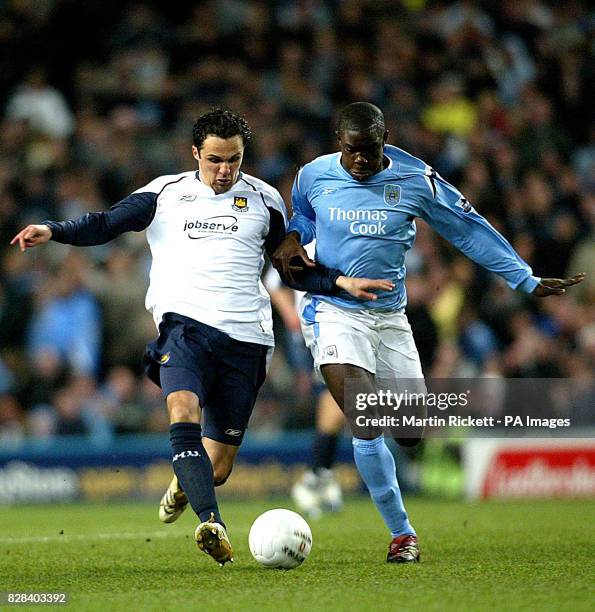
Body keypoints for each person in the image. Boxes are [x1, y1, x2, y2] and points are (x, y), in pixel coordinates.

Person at [11, 108, 393, 566]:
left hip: (248, 341)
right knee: (182, 408)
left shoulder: (266, 200)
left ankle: (186, 482)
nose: (225, 170)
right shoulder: (166, 194)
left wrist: (338, 283)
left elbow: (289, 266)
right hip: (184, 330)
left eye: (234, 159)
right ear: (195, 153)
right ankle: (212, 523)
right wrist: (54, 229)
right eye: (214, 159)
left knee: (218, 467)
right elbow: (106, 223)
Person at [272, 101, 585, 563]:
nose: (361, 161)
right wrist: (294, 237)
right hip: (334, 311)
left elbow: (467, 227)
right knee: (367, 413)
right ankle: (402, 534)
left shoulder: (416, 179)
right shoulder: (313, 175)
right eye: (353, 151)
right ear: (340, 143)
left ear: (385, 140)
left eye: (370, 151)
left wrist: (523, 277)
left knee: (411, 432)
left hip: (391, 319)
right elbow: (302, 218)